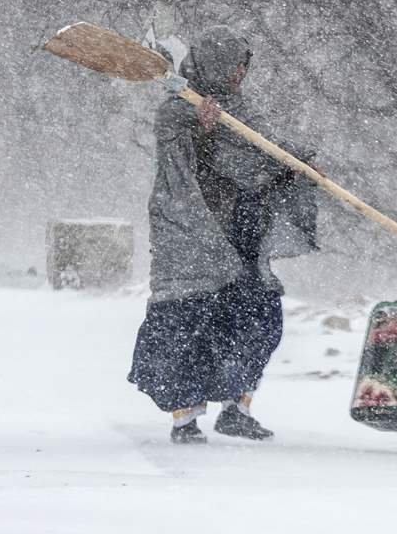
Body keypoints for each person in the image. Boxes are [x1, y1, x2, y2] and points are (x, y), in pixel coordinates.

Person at [128, 27, 318, 444]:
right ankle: (185, 419)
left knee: (258, 319)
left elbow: (263, 156)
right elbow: (178, 167)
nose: (239, 74)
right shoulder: (177, 110)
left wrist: (297, 165)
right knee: (190, 324)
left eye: (243, 66)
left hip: (243, 232)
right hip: (195, 236)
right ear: (213, 63)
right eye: (234, 66)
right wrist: (201, 129)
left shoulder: (243, 109)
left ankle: (237, 407)